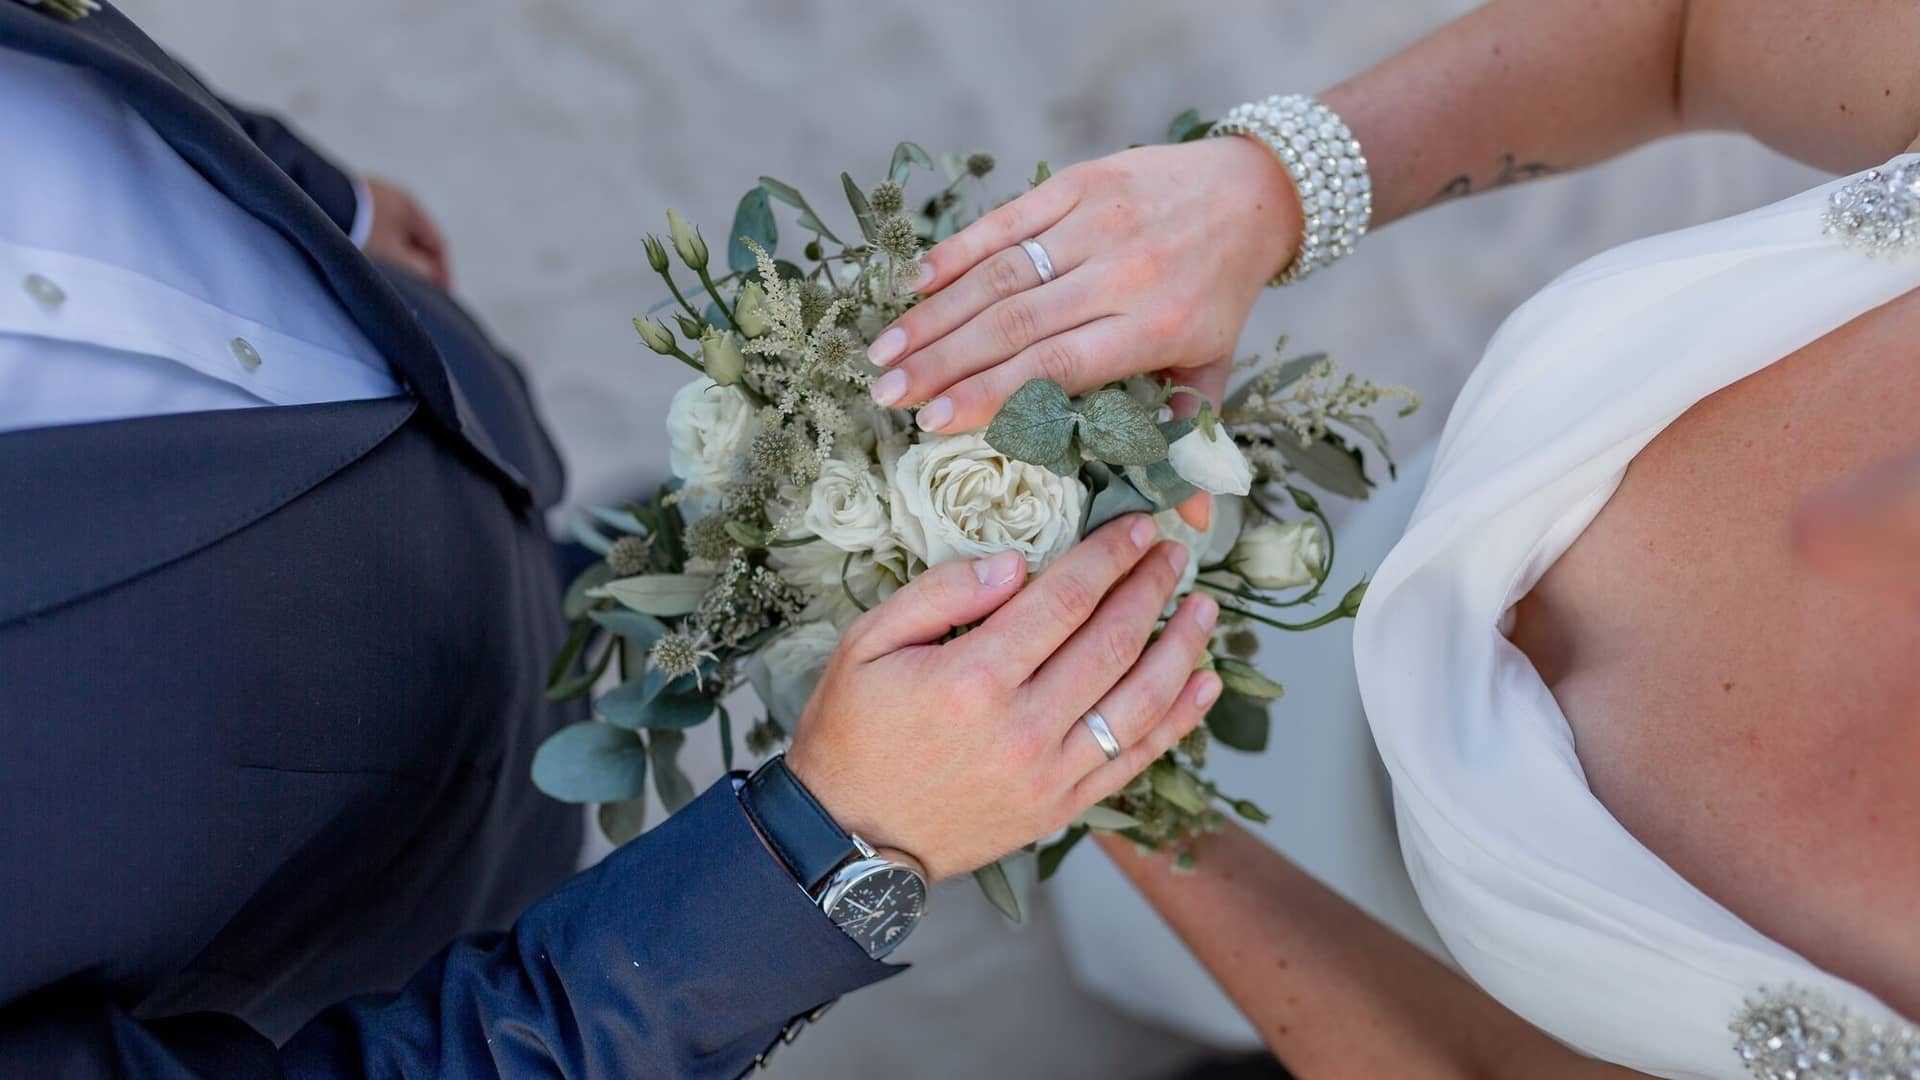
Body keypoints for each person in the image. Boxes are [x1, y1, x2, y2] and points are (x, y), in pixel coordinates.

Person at [0, 5, 1224, 1077]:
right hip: (378, 858)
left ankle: (630, 590)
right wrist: (821, 847)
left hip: (424, 410)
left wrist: (310, 200)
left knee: (622, 575)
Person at [870, 1, 1920, 1074]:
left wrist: (1131, 800)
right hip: (1321, 593)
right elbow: (1687, 38)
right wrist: (1266, 190)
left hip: (1371, 955)